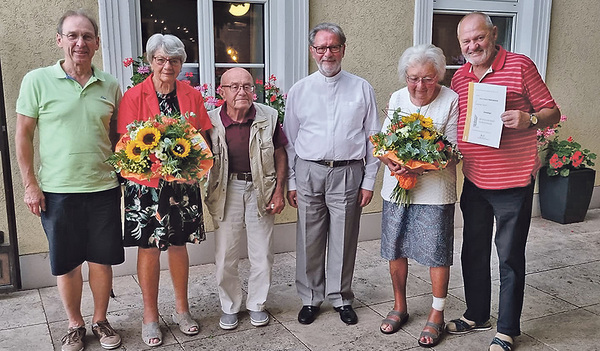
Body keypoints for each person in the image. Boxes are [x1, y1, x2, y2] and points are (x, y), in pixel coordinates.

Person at [446, 12, 560, 351]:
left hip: (512, 182)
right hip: (475, 180)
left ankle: (508, 329)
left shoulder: (520, 65)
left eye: (478, 38)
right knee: (473, 251)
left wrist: (530, 119)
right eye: (466, 41)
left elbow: (551, 111)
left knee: (509, 257)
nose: (472, 46)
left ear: (493, 34)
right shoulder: (459, 78)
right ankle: (477, 314)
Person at [15, 9, 123, 351]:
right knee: (67, 261)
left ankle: (100, 320)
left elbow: (117, 135)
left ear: (97, 43)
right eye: (73, 36)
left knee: (101, 260)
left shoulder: (109, 84)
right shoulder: (37, 80)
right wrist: (30, 184)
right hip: (57, 192)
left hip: (104, 188)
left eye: (87, 36)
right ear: (60, 40)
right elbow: (23, 136)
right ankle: (75, 325)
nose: (80, 43)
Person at [116, 33, 212, 347]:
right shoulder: (134, 96)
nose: (167, 66)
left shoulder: (191, 95)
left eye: (173, 60)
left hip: (183, 184)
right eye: (160, 59)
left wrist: (189, 169)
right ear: (150, 62)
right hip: (145, 188)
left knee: (179, 245)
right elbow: (127, 145)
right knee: (148, 249)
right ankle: (149, 316)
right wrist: (158, 168)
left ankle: (182, 311)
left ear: (182, 64)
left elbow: (203, 141)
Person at [283, 22, 380, 326]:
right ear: (312, 51)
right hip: (309, 170)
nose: (328, 53)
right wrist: (291, 180)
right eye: (321, 47)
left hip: (348, 172)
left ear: (343, 49)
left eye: (333, 47)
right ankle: (311, 297)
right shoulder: (300, 90)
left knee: (344, 237)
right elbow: (289, 139)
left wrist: (368, 181)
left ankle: (340, 297)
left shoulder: (361, 87)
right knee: (309, 237)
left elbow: (373, 138)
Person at [377, 44, 459, 348]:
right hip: (396, 188)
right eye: (413, 78)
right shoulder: (398, 98)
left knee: (436, 251)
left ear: (437, 74)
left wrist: (418, 166)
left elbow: (452, 151)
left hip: (436, 191)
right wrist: (391, 161)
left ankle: (436, 313)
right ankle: (400, 306)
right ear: (405, 77)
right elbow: (384, 143)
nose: (419, 86)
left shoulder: (451, 100)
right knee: (395, 246)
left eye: (427, 78)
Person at [204, 67, 288, 331]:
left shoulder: (269, 116)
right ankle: (229, 306)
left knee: (262, 253)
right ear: (222, 91)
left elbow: (280, 154)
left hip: (261, 188)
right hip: (227, 190)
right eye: (234, 86)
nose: (242, 92)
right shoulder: (211, 121)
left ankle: (257, 304)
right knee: (226, 254)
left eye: (247, 86)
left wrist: (279, 191)